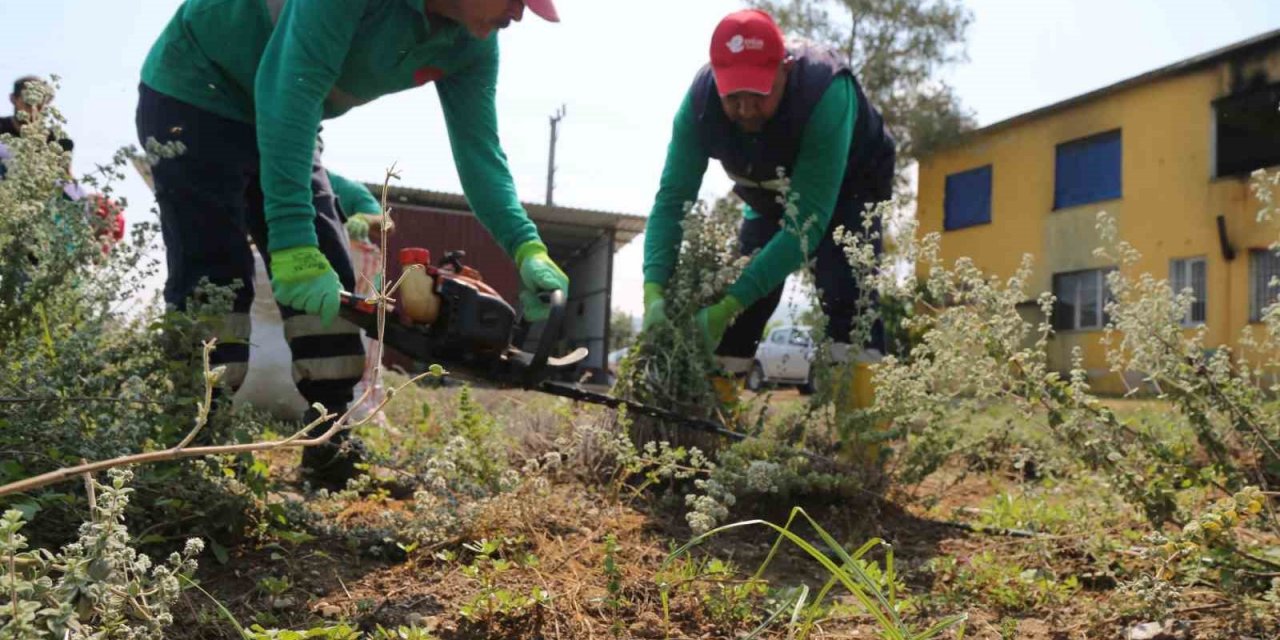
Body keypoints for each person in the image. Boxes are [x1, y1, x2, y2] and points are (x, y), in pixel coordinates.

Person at [136, 0, 570, 489]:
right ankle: (194, 447)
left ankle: (330, 445)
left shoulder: (474, 43)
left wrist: (526, 246)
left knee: (333, 273)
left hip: (285, 108)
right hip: (197, 89)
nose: (519, 14)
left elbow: (481, 154)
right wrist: (293, 244)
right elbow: (288, 90)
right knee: (214, 272)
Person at [641, 9, 896, 409]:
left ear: (786, 69)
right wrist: (653, 290)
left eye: (758, 93)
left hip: (850, 188)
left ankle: (863, 445)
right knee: (741, 299)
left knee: (848, 296)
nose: (745, 109)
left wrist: (727, 304)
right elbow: (672, 202)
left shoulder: (825, 92)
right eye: (733, 96)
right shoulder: (698, 106)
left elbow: (804, 227)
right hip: (767, 194)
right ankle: (712, 425)